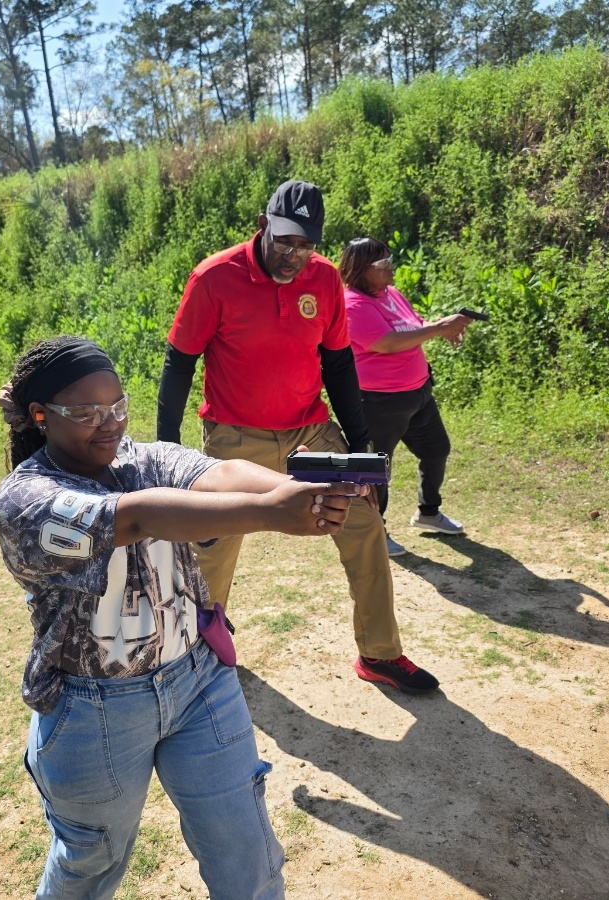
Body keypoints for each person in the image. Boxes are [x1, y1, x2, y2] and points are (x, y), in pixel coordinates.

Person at [0, 335, 366, 900]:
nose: (109, 424)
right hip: (94, 708)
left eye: (117, 406)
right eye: (87, 413)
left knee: (248, 854)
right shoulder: (25, 501)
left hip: (199, 680)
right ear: (41, 415)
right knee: (91, 865)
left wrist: (300, 490)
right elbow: (137, 518)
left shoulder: (141, 459)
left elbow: (218, 473)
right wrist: (272, 511)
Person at [156, 179, 441, 695]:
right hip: (235, 436)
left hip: (310, 431)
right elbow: (179, 365)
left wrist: (361, 448)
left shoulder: (325, 278)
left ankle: (379, 653)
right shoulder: (214, 277)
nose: (294, 255)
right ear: (262, 226)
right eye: (284, 241)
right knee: (210, 547)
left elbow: (339, 365)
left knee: (364, 524)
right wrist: (166, 451)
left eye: (305, 244)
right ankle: (194, 653)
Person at [338, 237, 472, 557]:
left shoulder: (392, 294)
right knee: (376, 469)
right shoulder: (353, 304)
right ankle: (376, 531)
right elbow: (388, 342)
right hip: (379, 403)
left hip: (418, 394)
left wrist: (440, 327)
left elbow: (413, 327)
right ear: (360, 269)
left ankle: (428, 513)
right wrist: (439, 327)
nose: (391, 267)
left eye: (390, 260)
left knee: (437, 449)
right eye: (382, 264)